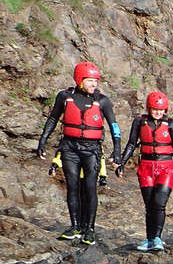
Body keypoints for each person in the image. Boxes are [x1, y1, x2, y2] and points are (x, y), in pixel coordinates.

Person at [36, 61, 123, 245]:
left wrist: (117, 150)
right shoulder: (64, 97)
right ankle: (75, 226)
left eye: (96, 81)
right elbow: (53, 118)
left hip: (92, 150)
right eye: (90, 80)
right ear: (79, 80)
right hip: (70, 147)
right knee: (73, 186)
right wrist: (43, 140)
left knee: (90, 188)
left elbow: (114, 126)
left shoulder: (102, 101)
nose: (94, 84)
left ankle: (89, 229)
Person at [115, 91, 173, 252]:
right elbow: (132, 144)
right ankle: (149, 239)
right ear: (149, 108)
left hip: (166, 167)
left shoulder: (171, 124)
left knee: (159, 203)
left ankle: (157, 238)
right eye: (155, 109)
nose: (158, 112)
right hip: (146, 167)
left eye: (161, 110)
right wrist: (122, 163)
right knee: (149, 205)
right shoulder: (140, 122)